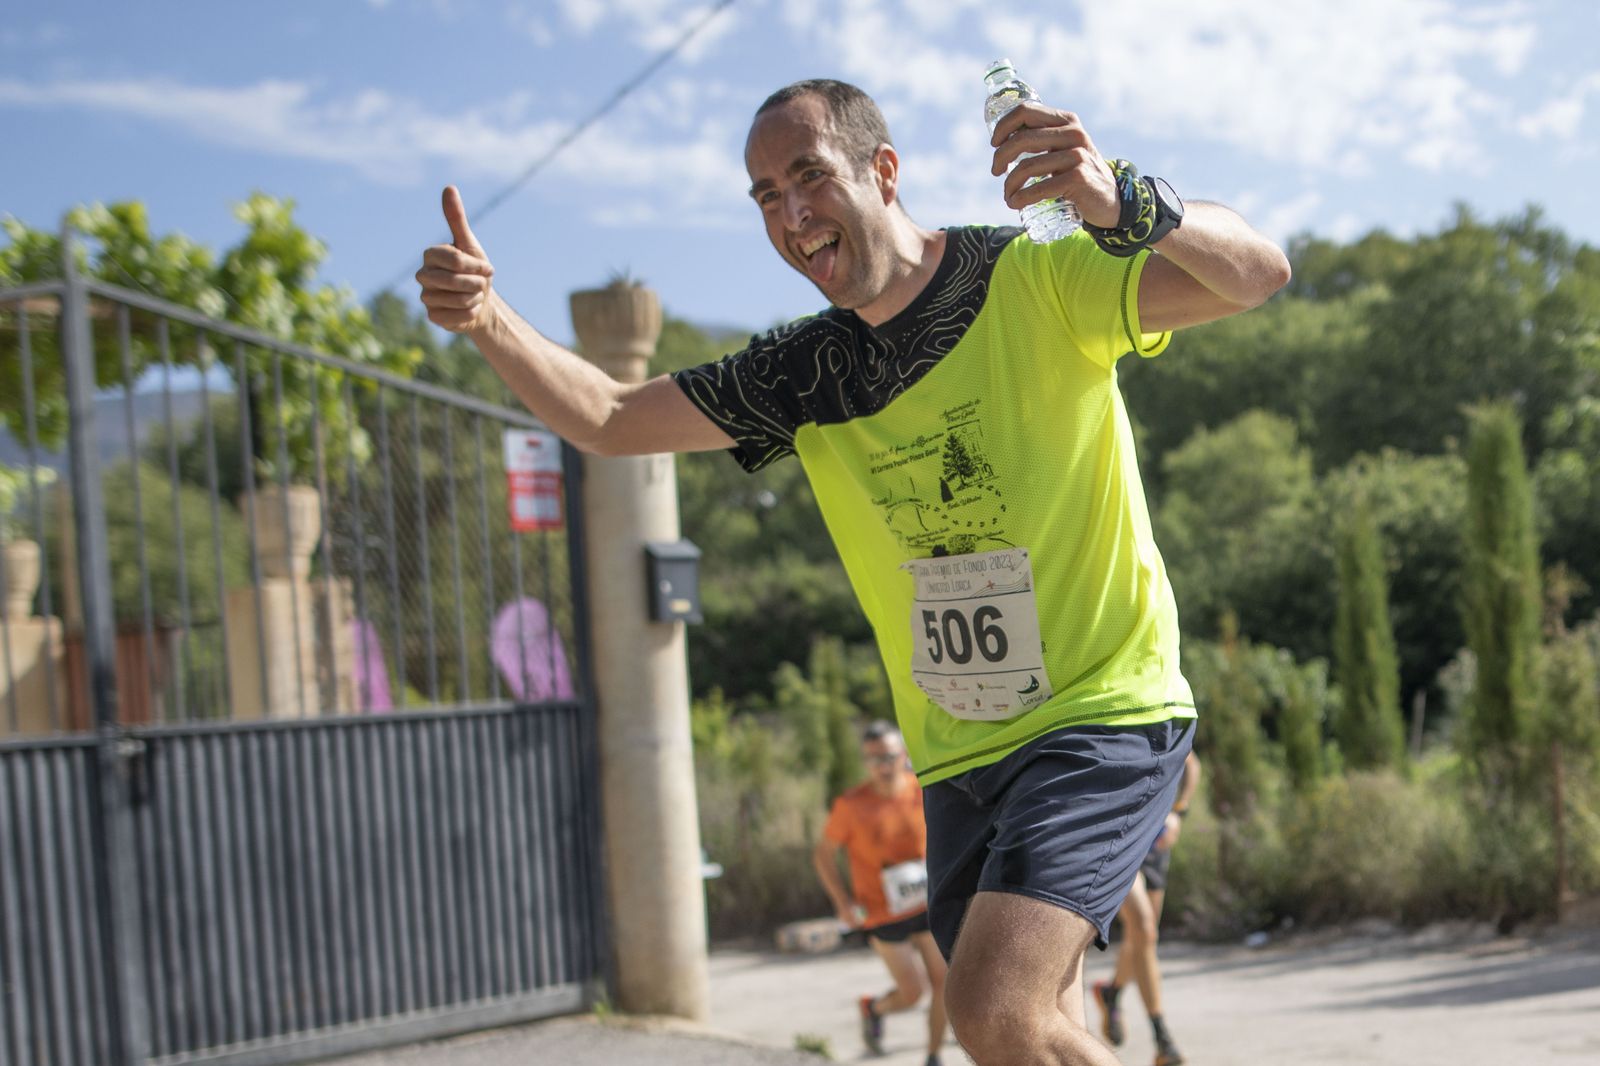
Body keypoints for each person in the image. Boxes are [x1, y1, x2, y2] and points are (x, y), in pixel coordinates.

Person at [417, 76, 1289, 1065]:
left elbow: (1256, 273)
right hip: (958, 757)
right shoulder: (801, 373)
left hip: (1100, 712)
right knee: (1028, 1033)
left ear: (883, 170)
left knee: (991, 1005)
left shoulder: (1034, 277)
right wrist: (486, 318)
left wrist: (1126, 201)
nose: (790, 214)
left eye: (809, 177)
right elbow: (610, 419)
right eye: (765, 197)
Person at [814, 720, 949, 1064]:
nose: (883, 766)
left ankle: (933, 1055)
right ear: (865, 762)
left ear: (903, 754)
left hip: (926, 903)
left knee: (944, 984)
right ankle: (874, 1008)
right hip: (881, 912)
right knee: (913, 993)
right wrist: (843, 903)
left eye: (889, 757)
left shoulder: (923, 790)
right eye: (874, 759)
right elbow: (824, 854)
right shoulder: (852, 804)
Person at [1093, 751, 1202, 1066]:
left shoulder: (1158, 721)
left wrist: (1179, 811)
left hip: (1155, 840)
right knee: (1143, 927)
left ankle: (1112, 992)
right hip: (1119, 837)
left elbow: (1191, 763)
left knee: (1143, 938)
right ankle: (1162, 1039)